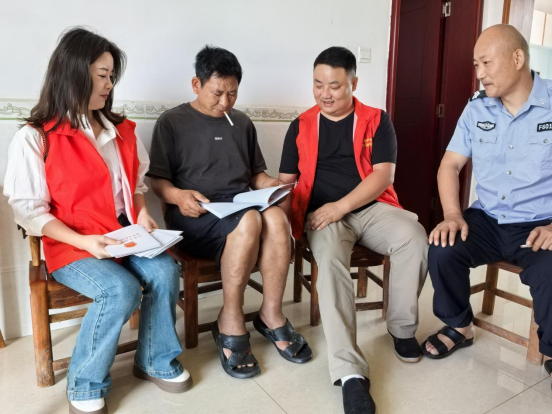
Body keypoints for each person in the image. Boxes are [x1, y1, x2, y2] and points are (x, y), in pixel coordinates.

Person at [4, 28, 191, 414]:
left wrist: (141, 211)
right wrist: (86, 242)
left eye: (111, 76)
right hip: (72, 244)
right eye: (102, 75)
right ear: (74, 73)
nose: (109, 85)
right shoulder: (35, 138)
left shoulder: (121, 131)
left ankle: (155, 360)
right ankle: (85, 383)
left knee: (165, 272)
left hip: (123, 234)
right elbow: (30, 212)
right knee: (120, 290)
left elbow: (134, 186)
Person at [278, 46, 429, 414]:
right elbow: (286, 182)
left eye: (334, 86)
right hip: (321, 216)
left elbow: (383, 176)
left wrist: (340, 207)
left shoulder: (377, 120)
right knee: (330, 262)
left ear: (353, 84)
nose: (325, 93)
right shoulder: (301, 125)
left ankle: (402, 328)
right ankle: (349, 373)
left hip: (370, 208)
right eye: (318, 84)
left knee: (414, 236)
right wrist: (284, 231)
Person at [148, 45, 312, 379]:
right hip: (195, 216)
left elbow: (256, 175)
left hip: (237, 209)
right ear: (196, 84)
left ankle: (271, 315)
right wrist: (178, 196)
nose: (225, 102)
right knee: (251, 219)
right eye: (217, 93)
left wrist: (274, 186)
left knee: (276, 217)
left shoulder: (241, 122)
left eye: (233, 93)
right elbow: (157, 181)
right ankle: (231, 319)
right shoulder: (172, 122)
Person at [423, 24, 552, 385]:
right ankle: (459, 326)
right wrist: (452, 214)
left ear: (517, 58)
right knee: (442, 248)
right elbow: (450, 165)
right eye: (475, 64)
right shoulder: (476, 108)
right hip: (489, 218)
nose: (479, 73)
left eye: (486, 62)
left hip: (541, 223)